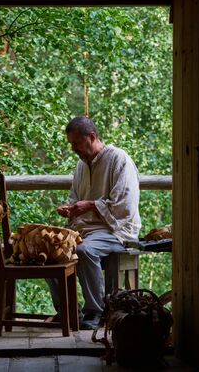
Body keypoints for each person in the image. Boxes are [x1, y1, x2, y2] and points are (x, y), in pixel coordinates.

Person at [46, 116, 141, 329]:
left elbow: (124, 206)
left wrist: (89, 206)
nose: (73, 148)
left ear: (92, 137)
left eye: (77, 143)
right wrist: (69, 208)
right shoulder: (81, 165)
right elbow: (74, 197)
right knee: (51, 249)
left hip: (115, 230)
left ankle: (95, 312)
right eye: (71, 144)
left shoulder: (119, 159)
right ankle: (68, 312)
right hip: (84, 229)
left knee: (85, 250)